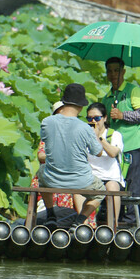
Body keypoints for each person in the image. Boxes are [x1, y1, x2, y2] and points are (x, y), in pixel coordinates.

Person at [38, 83, 119, 219]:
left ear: (63, 102)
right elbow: (98, 152)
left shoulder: (46, 122)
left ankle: (51, 215)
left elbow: (47, 143)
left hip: (52, 178)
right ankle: (80, 220)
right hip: (80, 180)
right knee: (100, 192)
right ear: (81, 107)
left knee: (41, 173)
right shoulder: (85, 128)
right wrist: (95, 135)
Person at [100, 56, 140, 223]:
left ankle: (132, 219)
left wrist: (122, 115)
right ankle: (116, 216)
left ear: (124, 72)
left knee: (133, 183)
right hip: (114, 148)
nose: (113, 74)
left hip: (133, 145)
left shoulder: (133, 91)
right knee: (115, 182)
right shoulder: (107, 97)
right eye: (110, 71)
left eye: (116, 70)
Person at [85, 101, 124, 219]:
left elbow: (113, 153)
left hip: (110, 178)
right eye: (90, 118)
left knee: (111, 187)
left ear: (105, 118)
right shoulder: (84, 135)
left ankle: (113, 226)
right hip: (91, 178)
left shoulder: (114, 135)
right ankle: (83, 225)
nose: (93, 122)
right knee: (78, 187)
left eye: (97, 118)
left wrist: (98, 138)